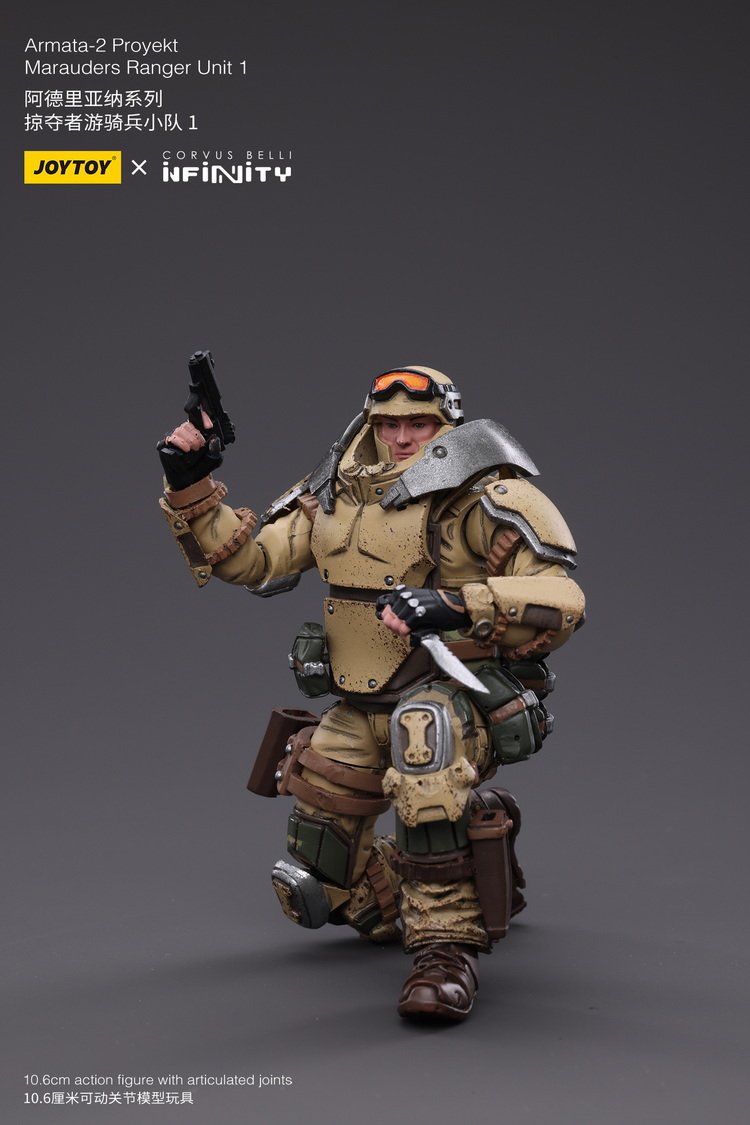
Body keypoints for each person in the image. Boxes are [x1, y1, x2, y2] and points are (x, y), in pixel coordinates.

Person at [158, 366, 585, 1021]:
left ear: (446, 424)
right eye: (389, 423)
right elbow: (251, 561)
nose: (403, 436)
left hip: (448, 694)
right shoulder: (333, 491)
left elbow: (562, 598)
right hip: (360, 703)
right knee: (320, 875)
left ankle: (445, 952)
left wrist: (457, 603)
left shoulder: (482, 495)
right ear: (371, 423)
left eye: (419, 423)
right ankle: (469, 854)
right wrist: (190, 485)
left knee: (426, 756)